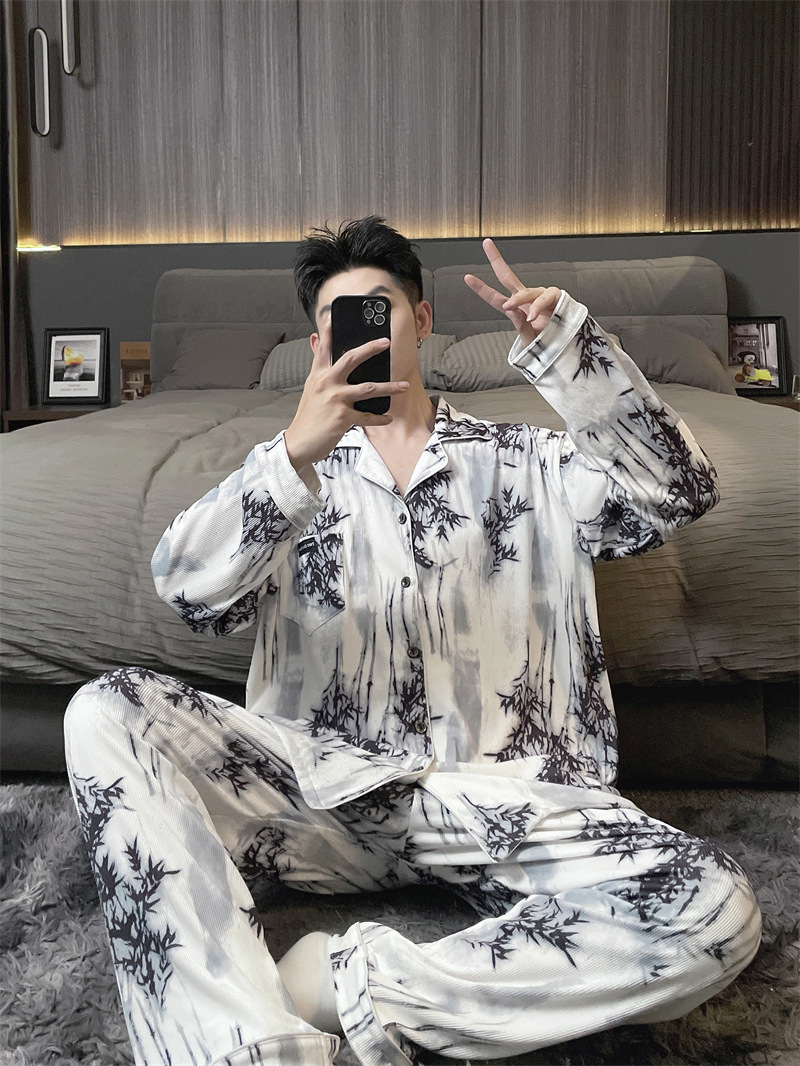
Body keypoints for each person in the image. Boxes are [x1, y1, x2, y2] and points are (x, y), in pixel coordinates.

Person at [64, 217, 761, 1066]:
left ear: (421, 322)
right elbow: (186, 591)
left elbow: (678, 490)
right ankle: (244, 1050)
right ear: (317, 346)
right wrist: (293, 454)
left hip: (506, 804)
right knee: (105, 711)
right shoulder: (285, 477)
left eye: (380, 311)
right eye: (341, 321)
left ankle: (345, 986)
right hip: (326, 802)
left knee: (717, 907)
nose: (363, 336)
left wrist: (573, 352)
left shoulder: (531, 462)